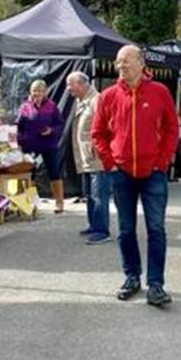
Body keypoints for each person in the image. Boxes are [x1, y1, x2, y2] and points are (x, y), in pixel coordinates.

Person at [91, 45, 181, 307]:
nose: (121, 66)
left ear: (141, 64)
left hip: (153, 173)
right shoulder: (108, 96)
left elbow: (172, 128)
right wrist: (110, 163)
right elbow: (98, 133)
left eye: (126, 61)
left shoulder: (159, 92)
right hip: (121, 174)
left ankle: (156, 285)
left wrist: (163, 161)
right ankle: (131, 277)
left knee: (156, 229)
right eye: (118, 62)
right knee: (126, 230)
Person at [65, 71, 111, 245]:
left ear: (81, 84)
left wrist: (101, 151)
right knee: (90, 195)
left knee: (99, 196)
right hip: (86, 158)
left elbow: (108, 128)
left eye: (70, 84)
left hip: (97, 158)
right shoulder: (82, 100)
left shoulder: (97, 101)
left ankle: (102, 231)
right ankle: (94, 225)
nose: (68, 89)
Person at [17, 79, 66, 213]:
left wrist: (51, 130)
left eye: (40, 91)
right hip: (30, 145)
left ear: (45, 92)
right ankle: (30, 204)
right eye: (34, 90)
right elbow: (19, 126)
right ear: (30, 92)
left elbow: (60, 124)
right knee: (29, 174)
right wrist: (20, 140)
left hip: (48, 144)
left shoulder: (52, 106)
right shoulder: (25, 107)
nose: (36, 93)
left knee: (54, 172)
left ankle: (59, 202)